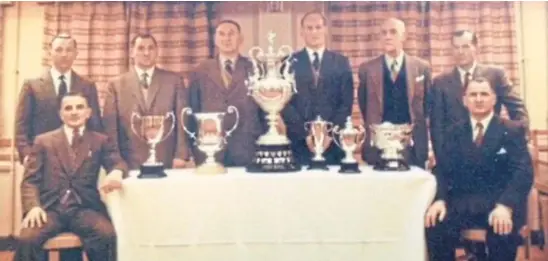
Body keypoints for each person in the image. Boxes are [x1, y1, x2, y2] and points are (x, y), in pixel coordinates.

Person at [425, 78, 533, 261]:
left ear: (494, 99)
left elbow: (523, 172)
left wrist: (505, 206)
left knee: (502, 230)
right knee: (435, 222)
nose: (478, 99)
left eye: (484, 94)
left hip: (500, 202)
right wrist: (440, 199)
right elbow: (442, 170)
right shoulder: (454, 132)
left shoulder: (512, 130)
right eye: (473, 94)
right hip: (464, 202)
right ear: (465, 100)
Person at [14, 92, 128, 261]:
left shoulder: (100, 141)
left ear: (88, 112)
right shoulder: (43, 141)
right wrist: (33, 207)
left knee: (107, 235)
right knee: (27, 239)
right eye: (68, 108)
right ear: (61, 114)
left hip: (84, 208)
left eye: (79, 107)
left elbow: (118, 163)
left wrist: (117, 172)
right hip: (50, 209)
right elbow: (30, 180)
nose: (74, 112)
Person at [430, 30, 529, 166]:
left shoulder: (496, 75)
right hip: (455, 154)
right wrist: (442, 159)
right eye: (456, 47)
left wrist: (520, 138)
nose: (460, 52)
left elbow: (517, 107)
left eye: (465, 46)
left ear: (476, 48)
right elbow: (437, 125)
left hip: (490, 150)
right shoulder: (440, 82)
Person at [102, 33, 192, 170]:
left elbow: (182, 120)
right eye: (140, 48)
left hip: (166, 161)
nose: (146, 53)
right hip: (129, 163)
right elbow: (111, 129)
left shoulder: (174, 81)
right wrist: (116, 162)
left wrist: (181, 155)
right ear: (132, 52)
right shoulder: (115, 85)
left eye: (151, 48)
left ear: (157, 52)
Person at [15, 34, 103, 166]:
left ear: (76, 54)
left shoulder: (87, 85)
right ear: (50, 52)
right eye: (59, 49)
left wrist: (93, 154)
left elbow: (95, 125)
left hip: (79, 161)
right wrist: (27, 155)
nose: (64, 54)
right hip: (42, 159)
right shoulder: (32, 86)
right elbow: (21, 125)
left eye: (69, 50)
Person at [280, 10, 354, 165]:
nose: (314, 32)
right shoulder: (288, 62)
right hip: (299, 141)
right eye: (309, 28)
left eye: (318, 27)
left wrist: (327, 133)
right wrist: (306, 134)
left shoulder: (341, 62)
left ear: (325, 30)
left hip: (332, 142)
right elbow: (284, 103)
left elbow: (346, 103)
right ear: (302, 31)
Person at [357, 18, 432, 168]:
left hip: (412, 147)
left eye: (393, 32)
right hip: (378, 147)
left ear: (404, 36)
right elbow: (364, 105)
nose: (387, 36)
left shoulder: (421, 67)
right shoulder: (367, 69)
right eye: (383, 33)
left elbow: (427, 106)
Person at [187, 20, 263, 167]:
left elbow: (264, 110)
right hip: (210, 148)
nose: (226, 38)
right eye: (222, 34)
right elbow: (192, 110)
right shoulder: (201, 70)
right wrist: (193, 148)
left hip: (247, 148)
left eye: (231, 34)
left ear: (240, 39)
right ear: (215, 39)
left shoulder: (255, 67)